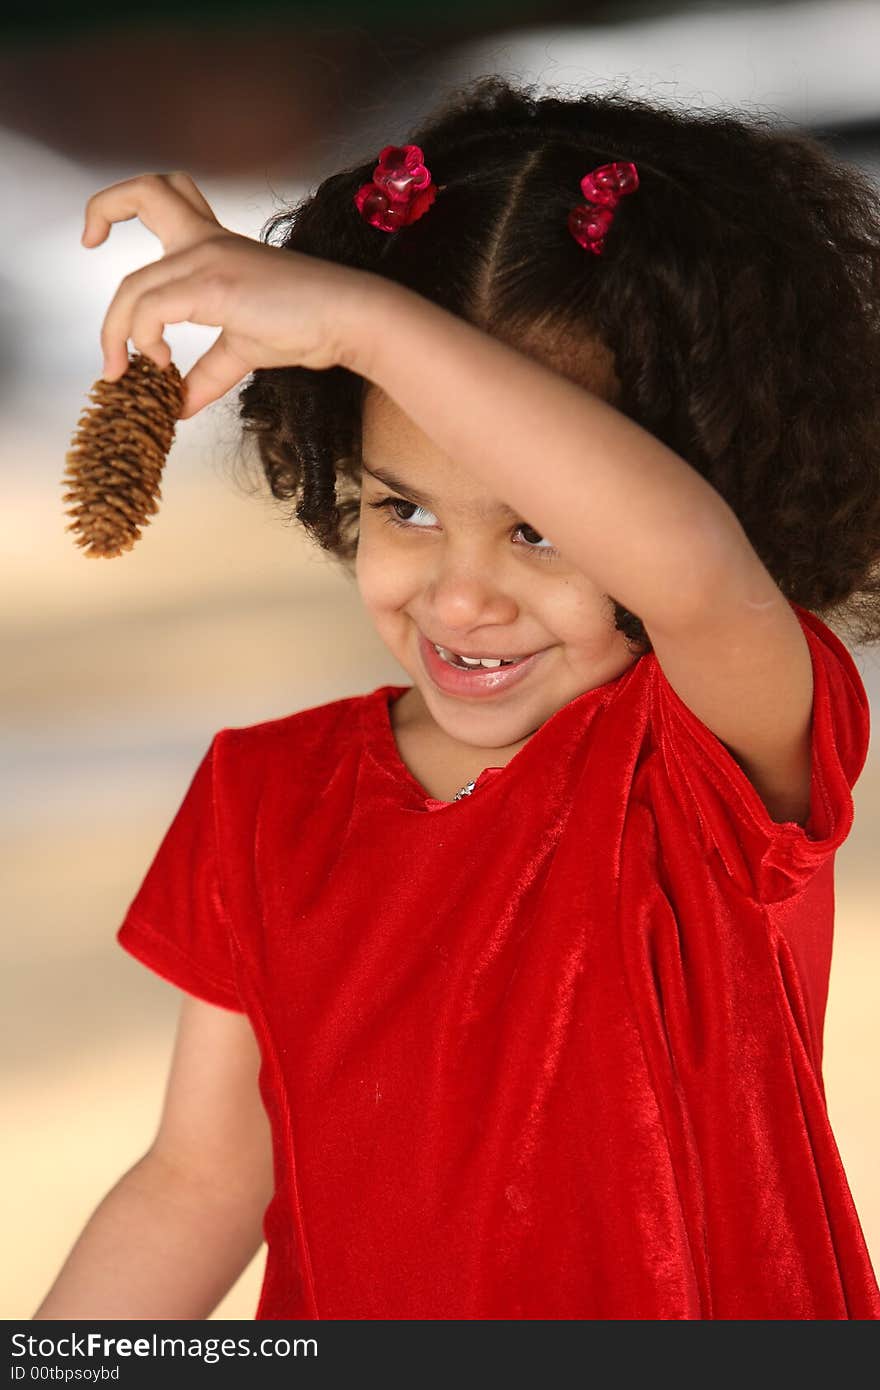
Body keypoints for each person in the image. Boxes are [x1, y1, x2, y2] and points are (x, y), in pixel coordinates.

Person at [35, 75, 880, 1320]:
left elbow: (694, 569)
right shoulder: (261, 794)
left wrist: (364, 324)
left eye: (536, 528)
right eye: (405, 508)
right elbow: (199, 1179)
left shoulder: (711, 758)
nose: (462, 594)